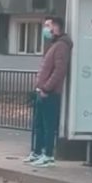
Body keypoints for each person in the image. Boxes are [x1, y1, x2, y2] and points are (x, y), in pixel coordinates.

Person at [25, 16, 71, 167]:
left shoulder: (61, 46)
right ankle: (37, 152)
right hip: (42, 91)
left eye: (48, 25)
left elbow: (59, 70)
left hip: (50, 93)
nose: (45, 29)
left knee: (48, 125)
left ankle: (48, 155)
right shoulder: (53, 44)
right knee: (39, 124)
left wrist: (46, 87)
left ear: (56, 27)